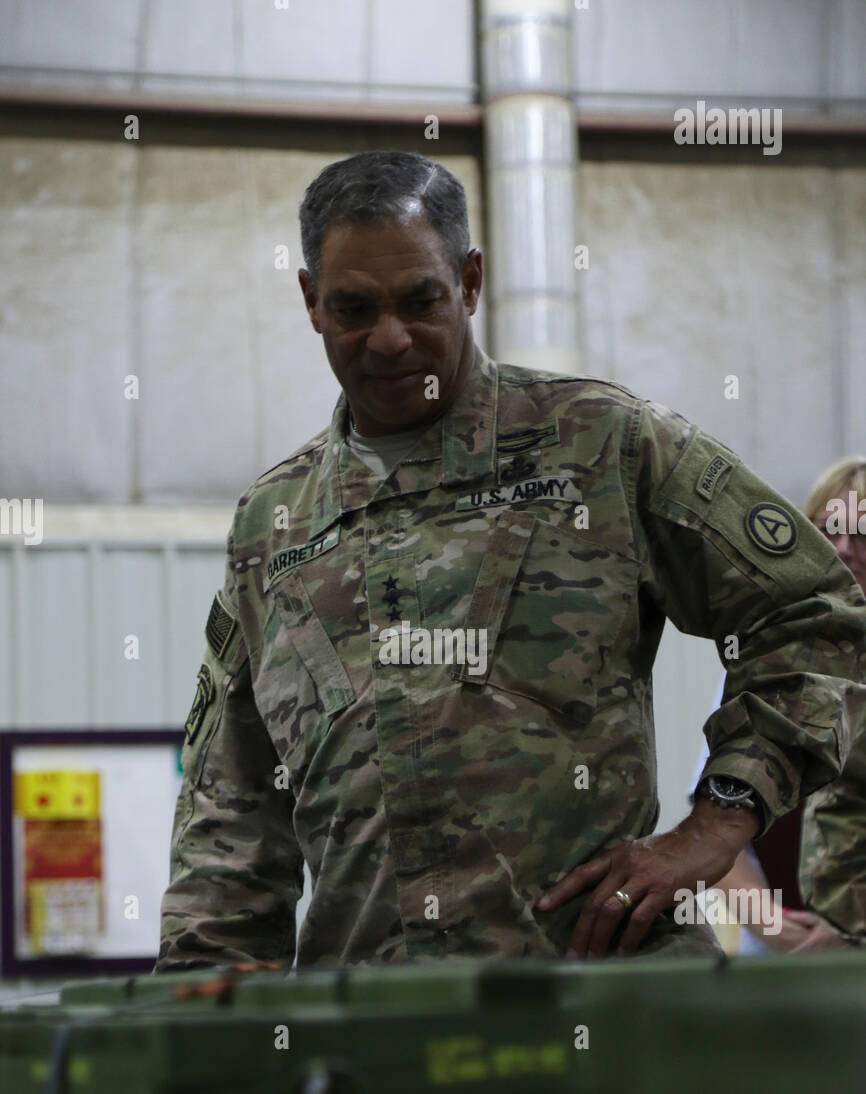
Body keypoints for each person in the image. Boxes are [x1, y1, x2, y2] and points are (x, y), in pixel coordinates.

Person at [155, 151, 866, 973]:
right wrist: (204, 1011)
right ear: (311, 300)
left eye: (420, 300)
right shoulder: (272, 526)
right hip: (376, 1033)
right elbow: (230, 804)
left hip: (601, 1013)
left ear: (469, 280)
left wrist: (713, 827)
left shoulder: (604, 446)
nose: (388, 338)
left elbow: (816, 612)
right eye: (353, 307)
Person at [711, 457, 866, 953]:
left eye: (863, 533)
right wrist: (773, 926)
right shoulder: (774, 660)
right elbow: (716, 816)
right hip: (787, 954)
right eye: (827, 530)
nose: (844, 549)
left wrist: (851, 932)